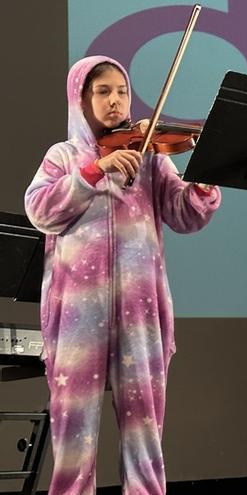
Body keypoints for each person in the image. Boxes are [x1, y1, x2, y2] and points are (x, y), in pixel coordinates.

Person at [24, 55, 221, 494]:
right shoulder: (64, 155)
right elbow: (40, 210)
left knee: (145, 431)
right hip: (78, 317)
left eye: (122, 92)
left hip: (140, 314)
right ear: (80, 98)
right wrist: (94, 171)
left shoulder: (150, 157)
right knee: (73, 434)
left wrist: (203, 186)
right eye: (103, 92)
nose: (115, 101)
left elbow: (184, 214)